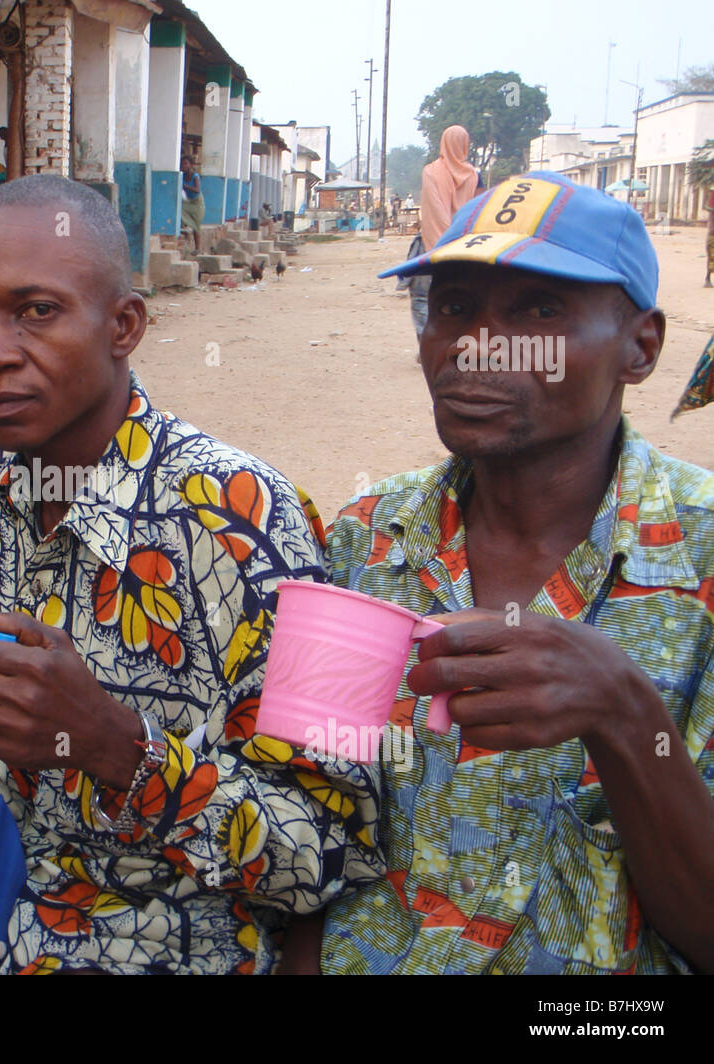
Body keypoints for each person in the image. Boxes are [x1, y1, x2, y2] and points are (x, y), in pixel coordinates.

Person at [0, 175, 383, 974]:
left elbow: (337, 852)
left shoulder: (252, 517)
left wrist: (117, 747)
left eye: (37, 311)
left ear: (124, 324)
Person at [300, 173, 714, 973]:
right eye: (453, 305)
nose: (476, 344)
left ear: (642, 347)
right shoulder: (365, 542)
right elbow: (321, 816)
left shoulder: (699, 562)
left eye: (540, 310)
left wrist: (627, 716)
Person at [410, 125, 480, 337]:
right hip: (463, 246)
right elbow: (477, 210)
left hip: (431, 245)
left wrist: (442, 242)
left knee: (422, 298)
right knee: (455, 299)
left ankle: (427, 346)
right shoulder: (474, 176)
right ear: (465, 144)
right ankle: (452, 343)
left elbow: (435, 211)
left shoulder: (431, 172)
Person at [181, 155, 205, 254]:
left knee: (196, 225)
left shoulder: (195, 176)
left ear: (191, 165)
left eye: (186, 163)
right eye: (182, 163)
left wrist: (185, 186)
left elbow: (197, 189)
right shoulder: (181, 175)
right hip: (187, 201)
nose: (183, 165)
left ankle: (197, 248)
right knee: (179, 212)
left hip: (197, 203)